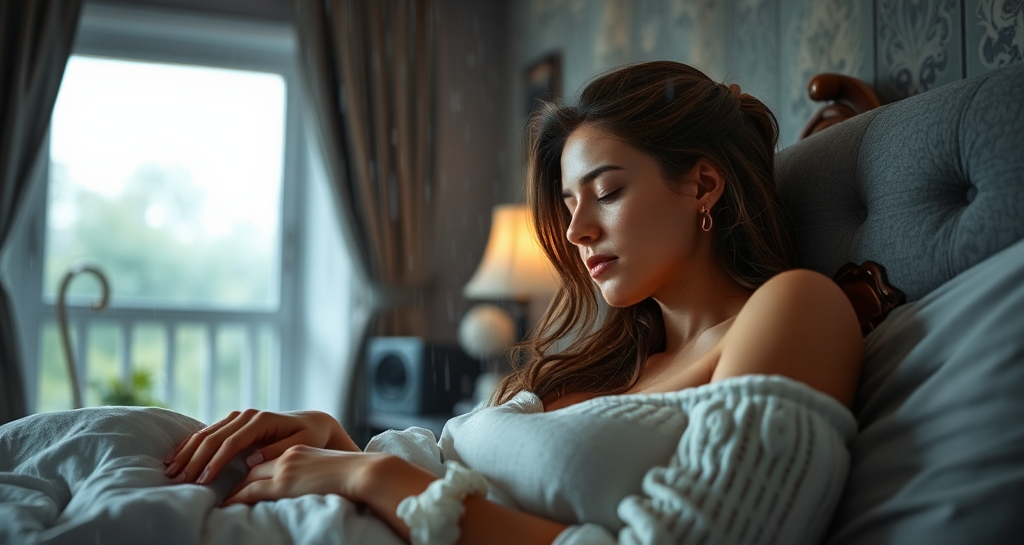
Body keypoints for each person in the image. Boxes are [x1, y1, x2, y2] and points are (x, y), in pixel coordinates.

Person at [163, 61, 863, 545]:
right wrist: (335, 439)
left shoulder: (794, 307)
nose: (577, 230)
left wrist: (370, 474)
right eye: (568, 203)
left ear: (702, 184)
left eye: (608, 191)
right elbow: (468, 480)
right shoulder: (610, 359)